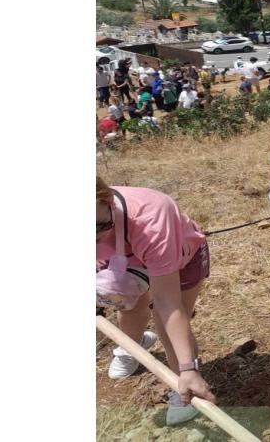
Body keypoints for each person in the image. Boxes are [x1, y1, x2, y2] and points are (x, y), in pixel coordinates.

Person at [95, 177, 214, 425]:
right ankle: (132, 347)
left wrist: (187, 369)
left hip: (180, 255)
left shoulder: (150, 219)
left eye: (96, 229)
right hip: (123, 258)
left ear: (107, 203)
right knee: (126, 304)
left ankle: (183, 382)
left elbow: (168, 304)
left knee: (163, 321)